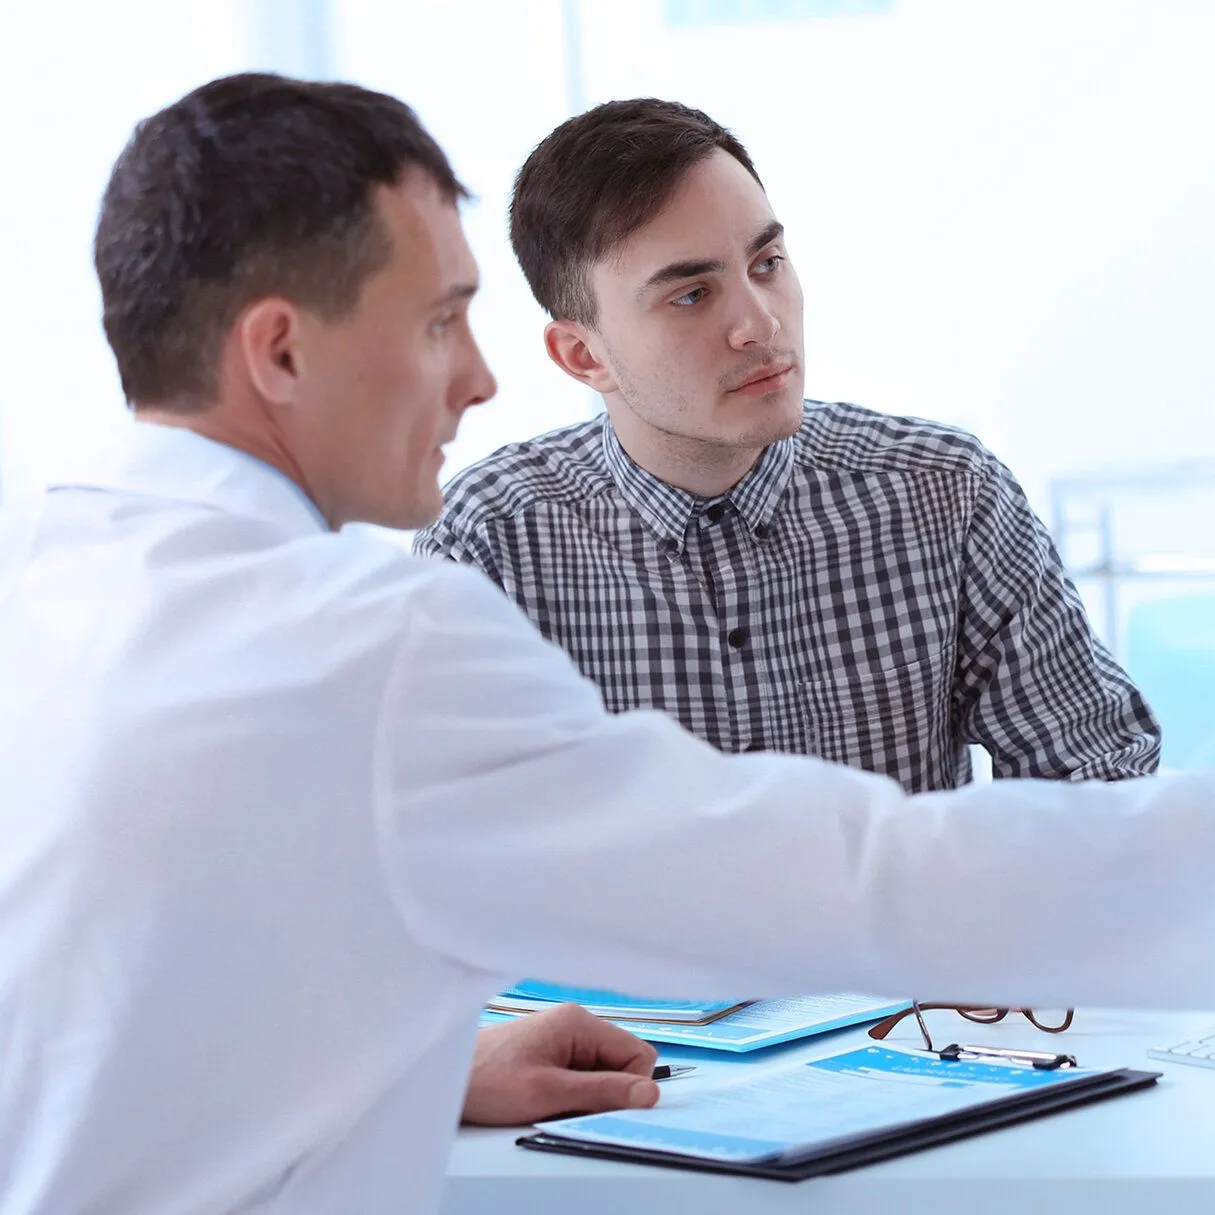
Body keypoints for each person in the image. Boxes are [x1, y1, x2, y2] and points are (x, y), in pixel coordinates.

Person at [1, 72, 1213, 1215]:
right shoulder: (372, 641)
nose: (476, 381)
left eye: (767, 263)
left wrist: (441, 1058)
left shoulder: (65, 592)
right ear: (279, 352)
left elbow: (133, 984)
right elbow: (835, 878)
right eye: (438, 324)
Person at [415, 98, 1158, 791]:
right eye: (691, 295)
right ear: (583, 356)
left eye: (766, 264)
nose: (760, 323)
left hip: (903, 935)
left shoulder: (945, 494)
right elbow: (450, 848)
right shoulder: (492, 547)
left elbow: (1099, 786)